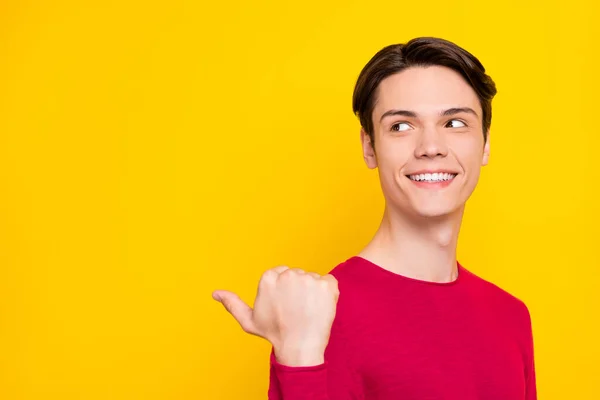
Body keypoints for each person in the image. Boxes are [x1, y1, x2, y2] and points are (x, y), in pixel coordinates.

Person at [212, 37, 537, 400]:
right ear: (370, 147)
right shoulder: (319, 315)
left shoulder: (510, 317)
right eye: (401, 126)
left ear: (486, 143)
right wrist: (300, 358)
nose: (431, 146)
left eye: (455, 122)